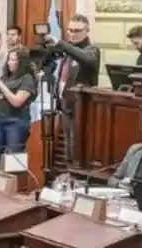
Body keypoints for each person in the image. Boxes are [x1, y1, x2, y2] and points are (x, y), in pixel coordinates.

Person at [44, 13, 100, 164]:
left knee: (78, 148)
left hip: (81, 109)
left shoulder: (91, 50)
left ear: (87, 31)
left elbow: (86, 58)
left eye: (77, 31)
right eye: (70, 30)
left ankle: (76, 175)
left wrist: (62, 44)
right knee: (68, 146)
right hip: (65, 106)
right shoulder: (67, 51)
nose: (72, 34)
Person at [0, 47, 36, 164]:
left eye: (14, 60)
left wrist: (1, 85)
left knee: (13, 157)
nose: (10, 62)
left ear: (22, 62)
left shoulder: (27, 79)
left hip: (16, 122)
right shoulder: (5, 77)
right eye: (9, 59)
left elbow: (17, 102)